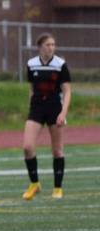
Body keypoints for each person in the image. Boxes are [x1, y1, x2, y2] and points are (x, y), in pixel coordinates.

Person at [22, 33, 71, 200]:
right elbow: (31, 88)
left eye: (53, 44)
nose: (51, 48)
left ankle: (58, 187)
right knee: (27, 147)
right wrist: (30, 107)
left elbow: (67, 91)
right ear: (40, 47)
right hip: (37, 107)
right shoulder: (31, 64)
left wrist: (63, 113)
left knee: (57, 150)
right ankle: (34, 183)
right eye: (48, 45)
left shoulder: (60, 64)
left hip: (55, 107)